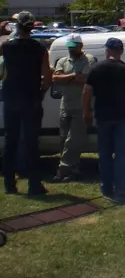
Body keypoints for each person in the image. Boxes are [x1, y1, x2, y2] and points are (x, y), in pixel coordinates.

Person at [83, 38, 125, 203]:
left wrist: (86, 113)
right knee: (121, 154)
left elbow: (86, 93)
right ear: (121, 52)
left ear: (107, 51)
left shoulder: (96, 69)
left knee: (104, 154)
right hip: (122, 118)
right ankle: (121, 188)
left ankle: (106, 188)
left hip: (103, 117)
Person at [1, 11, 52, 195]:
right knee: (32, 142)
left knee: (10, 141)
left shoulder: (7, 47)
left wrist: (1, 33)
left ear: (17, 27)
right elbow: (47, 78)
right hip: (31, 99)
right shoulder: (39, 49)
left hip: (11, 98)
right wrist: (40, 93)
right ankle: (35, 184)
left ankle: (9, 184)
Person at [51, 33, 97, 182]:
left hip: (81, 105)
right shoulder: (64, 60)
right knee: (64, 139)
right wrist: (73, 76)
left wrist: (66, 77)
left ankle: (62, 171)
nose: (71, 50)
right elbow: (55, 78)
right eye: (69, 47)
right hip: (65, 105)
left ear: (80, 46)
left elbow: (85, 80)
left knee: (73, 139)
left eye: (73, 47)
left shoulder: (89, 60)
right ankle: (73, 169)